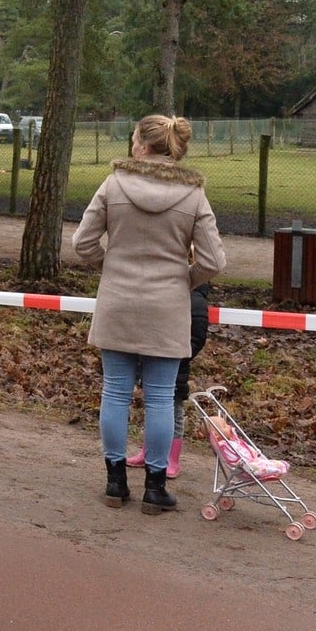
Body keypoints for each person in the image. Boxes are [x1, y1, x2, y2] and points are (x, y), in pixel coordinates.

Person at [72, 114, 224, 515]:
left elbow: (82, 242)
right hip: (167, 307)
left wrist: (111, 267)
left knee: (115, 392)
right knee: (160, 398)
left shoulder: (113, 184)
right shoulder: (193, 195)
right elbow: (213, 260)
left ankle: (115, 481)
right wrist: (183, 281)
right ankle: (155, 488)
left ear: (141, 145)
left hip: (118, 302)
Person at [126, 282, 211, 478]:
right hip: (154, 359)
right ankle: (148, 451)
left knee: (175, 413)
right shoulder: (165, 290)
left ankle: (172, 458)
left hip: (176, 364)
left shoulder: (195, 300)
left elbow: (197, 338)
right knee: (152, 410)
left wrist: (176, 356)